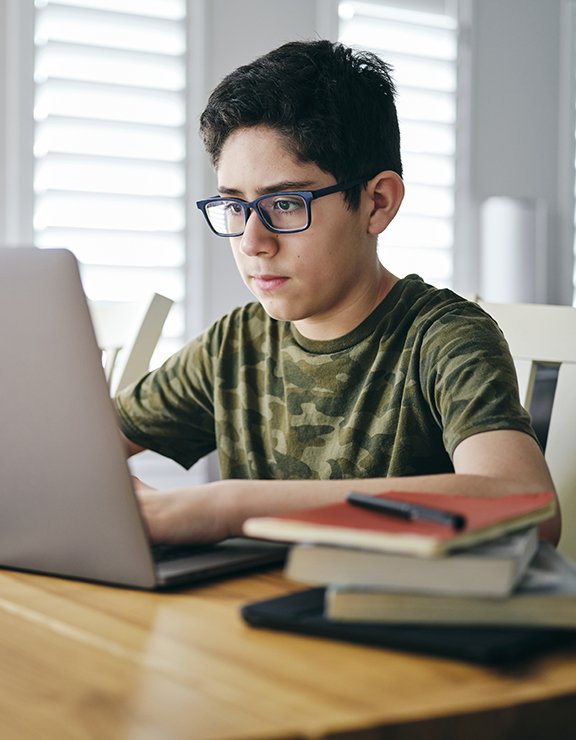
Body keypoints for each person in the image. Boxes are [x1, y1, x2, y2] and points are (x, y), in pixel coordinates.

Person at [114, 40, 560, 546]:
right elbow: (78, 443)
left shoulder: (444, 339)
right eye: (235, 206)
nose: (252, 243)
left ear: (377, 203)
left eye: (284, 204)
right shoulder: (234, 346)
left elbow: (527, 505)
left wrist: (228, 505)